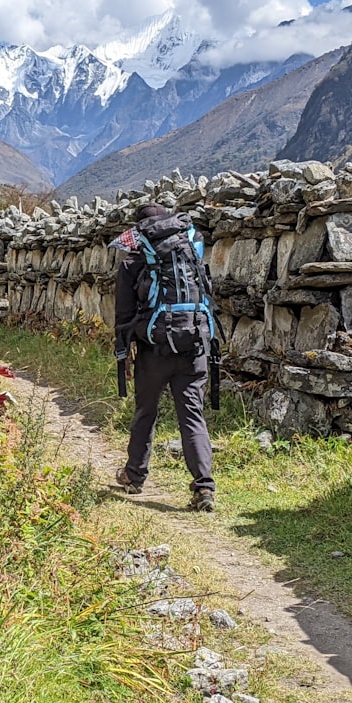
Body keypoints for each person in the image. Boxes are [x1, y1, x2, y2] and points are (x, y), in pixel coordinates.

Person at [112, 202, 216, 511]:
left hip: (154, 348)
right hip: (195, 344)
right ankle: (204, 487)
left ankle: (134, 476)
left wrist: (125, 353)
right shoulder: (189, 252)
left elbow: (124, 315)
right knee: (192, 415)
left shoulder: (135, 261)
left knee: (146, 411)